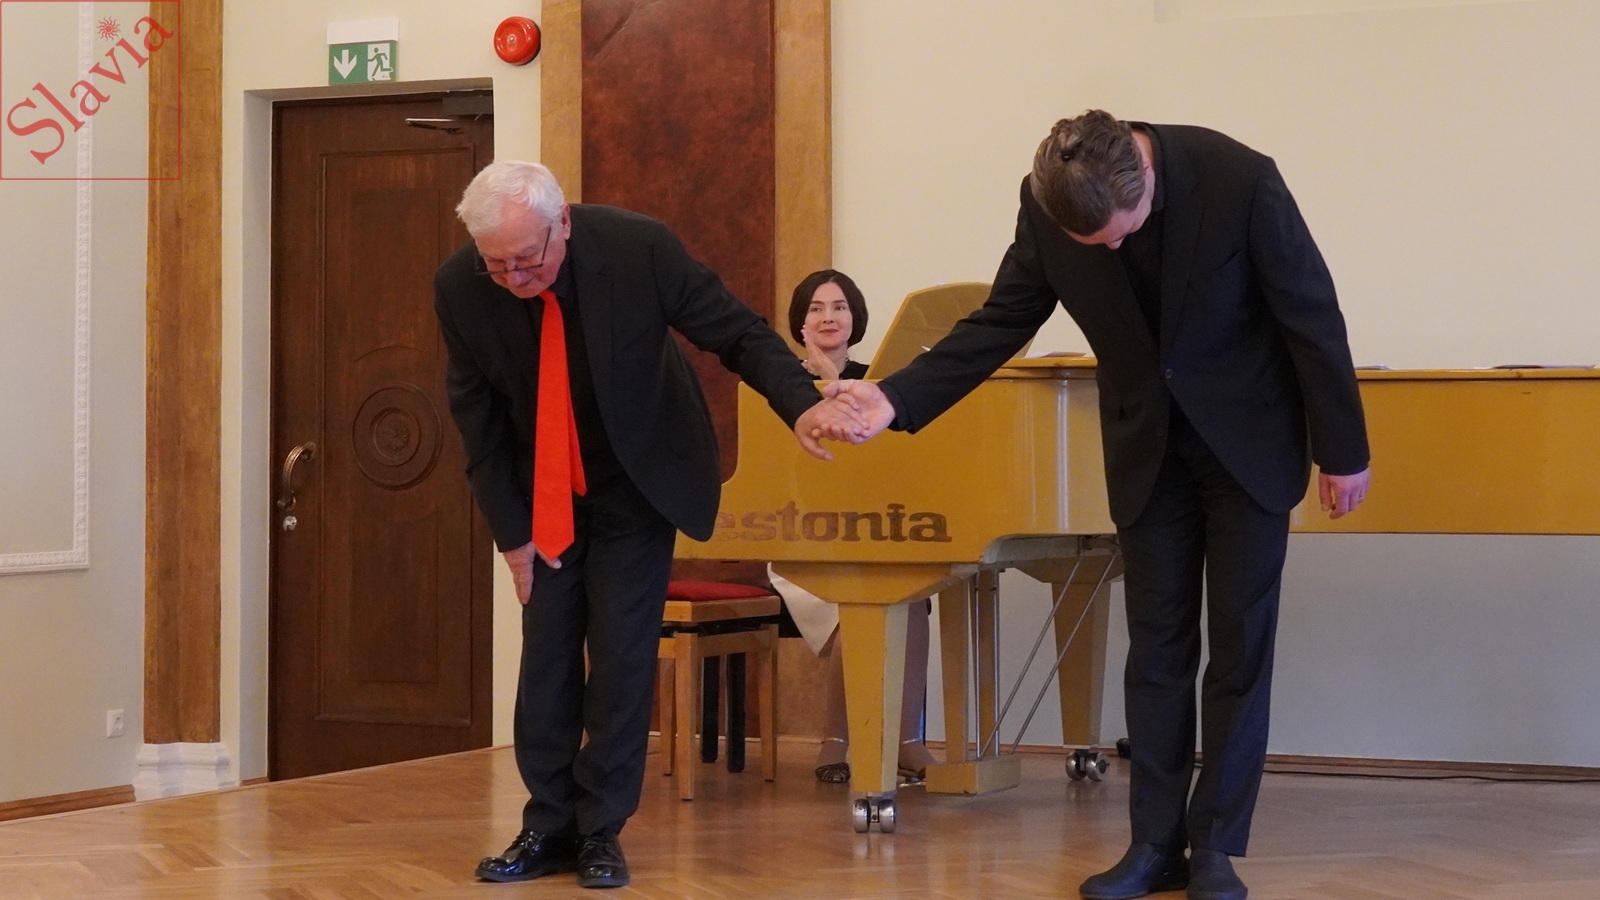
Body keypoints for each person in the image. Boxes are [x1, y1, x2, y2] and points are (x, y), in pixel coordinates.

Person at [798, 111, 1371, 900]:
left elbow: (1310, 313)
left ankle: (1216, 847)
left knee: (1239, 651)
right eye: (1092, 243)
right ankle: (1154, 845)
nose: (1111, 251)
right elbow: (1003, 319)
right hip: (1148, 451)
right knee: (1157, 650)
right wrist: (894, 397)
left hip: (1251, 444)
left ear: (1145, 175)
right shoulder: (1046, 203)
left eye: (1121, 233)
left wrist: (1343, 449)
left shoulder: (1241, 180)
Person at [435, 160, 849, 889]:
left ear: (562, 223)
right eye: (496, 265)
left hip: (638, 479)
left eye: (527, 260)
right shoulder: (460, 287)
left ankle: (600, 830)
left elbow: (736, 333)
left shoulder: (637, 248)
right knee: (547, 655)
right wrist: (512, 535)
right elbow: (477, 417)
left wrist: (801, 402)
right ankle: (547, 826)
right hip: (545, 491)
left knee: (621, 655)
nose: (514, 278)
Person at [774, 270, 937, 784]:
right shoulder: (781, 380)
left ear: (855, 317)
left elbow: (888, 461)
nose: (828, 317)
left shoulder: (879, 381)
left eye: (839, 306)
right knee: (858, 599)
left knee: (911, 594)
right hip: (804, 532)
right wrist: (822, 375)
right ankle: (837, 739)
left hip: (872, 527)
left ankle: (907, 741)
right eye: (816, 308)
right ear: (800, 321)